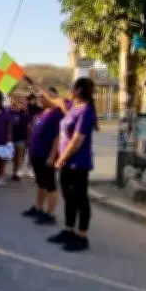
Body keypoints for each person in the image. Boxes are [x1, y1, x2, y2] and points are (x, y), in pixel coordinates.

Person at [46, 77, 99, 252]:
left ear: (78, 90)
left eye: (72, 87)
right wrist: (31, 82)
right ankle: (69, 230)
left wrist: (61, 159)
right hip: (67, 163)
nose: (69, 89)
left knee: (80, 198)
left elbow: (77, 141)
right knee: (69, 197)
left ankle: (82, 236)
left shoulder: (86, 112)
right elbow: (54, 99)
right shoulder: (72, 107)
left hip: (78, 163)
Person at [22, 86, 64, 225]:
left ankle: (50, 214)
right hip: (36, 153)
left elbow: (58, 137)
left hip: (47, 155)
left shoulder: (58, 114)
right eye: (40, 97)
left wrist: (52, 156)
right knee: (41, 184)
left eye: (43, 96)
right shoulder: (42, 112)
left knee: (50, 185)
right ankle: (39, 208)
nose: (40, 99)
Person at [9, 97, 32, 180]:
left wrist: (29, 139)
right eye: (14, 101)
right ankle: (3, 171)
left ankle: (15, 173)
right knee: (10, 156)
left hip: (21, 138)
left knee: (18, 157)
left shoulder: (25, 114)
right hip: (10, 139)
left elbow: (29, 127)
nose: (16, 103)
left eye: (19, 102)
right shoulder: (9, 112)